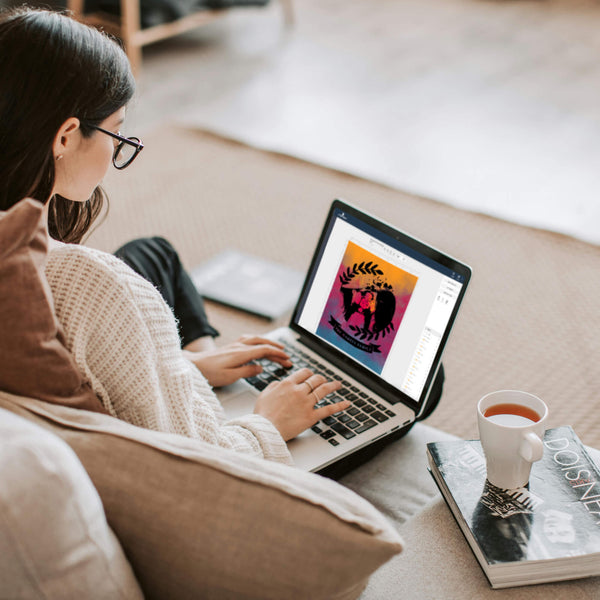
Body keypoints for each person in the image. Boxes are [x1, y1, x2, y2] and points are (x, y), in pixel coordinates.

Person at [0, 7, 351, 465]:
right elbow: (197, 459)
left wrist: (187, 368)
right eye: (117, 131)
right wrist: (269, 422)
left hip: (133, 348)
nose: (117, 151)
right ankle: (198, 378)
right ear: (66, 136)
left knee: (153, 253)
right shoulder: (97, 286)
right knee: (432, 381)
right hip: (210, 445)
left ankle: (190, 364)